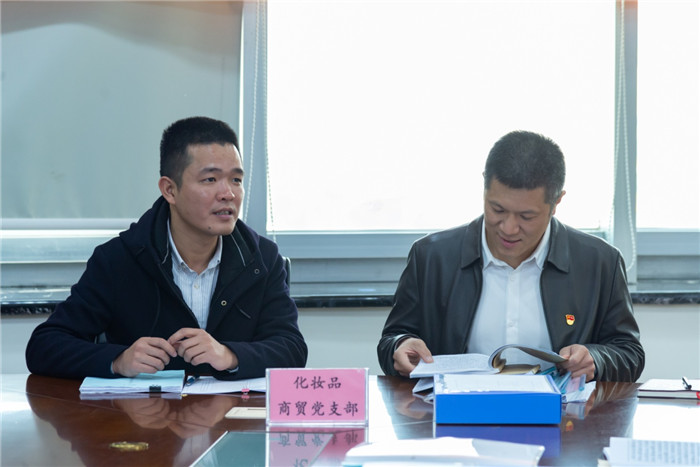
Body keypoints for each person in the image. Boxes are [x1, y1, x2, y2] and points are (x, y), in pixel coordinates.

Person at [26, 116, 308, 380]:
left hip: (231, 412)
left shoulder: (262, 259)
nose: (228, 194)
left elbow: (291, 348)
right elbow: (45, 346)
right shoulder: (120, 258)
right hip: (144, 415)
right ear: (170, 190)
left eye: (236, 180)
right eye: (210, 179)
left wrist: (229, 355)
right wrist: (118, 360)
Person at [377, 130, 644, 382]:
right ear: (484, 186)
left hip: (560, 412)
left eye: (526, 216)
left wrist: (596, 359)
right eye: (498, 210)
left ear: (556, 202)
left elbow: (629, 353)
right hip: (458, 408)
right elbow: (392, 340)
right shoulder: (431, 257)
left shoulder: (599, 262)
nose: (508, 228)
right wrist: (400, 346)